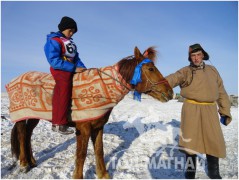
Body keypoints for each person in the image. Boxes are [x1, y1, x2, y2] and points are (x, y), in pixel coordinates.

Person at [165, 43, 232, 179]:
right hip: (191, 109)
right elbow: (171, 79)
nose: (196, 58)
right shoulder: (185, 71)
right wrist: (152, 82)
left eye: (198, 55)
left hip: (210, 110)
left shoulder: (213, 71)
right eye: (193, 55)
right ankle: (190, 174)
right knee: (190, 144)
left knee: (214, 141)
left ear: (203, 55)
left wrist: (225, 111)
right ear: (190, 57)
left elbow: (221, 91)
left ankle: (214, 173)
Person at [44, 16, 86, 135]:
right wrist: (73, 68)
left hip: (71, 68)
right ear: (63, 28)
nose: (72, 33)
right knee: (63, 88)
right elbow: (53, 60)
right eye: (70, 30)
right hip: (60, 69)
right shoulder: (54, 40)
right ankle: (59, 123)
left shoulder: (70, 43)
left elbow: (76, 58)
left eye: (73, 31)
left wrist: (83, 69)